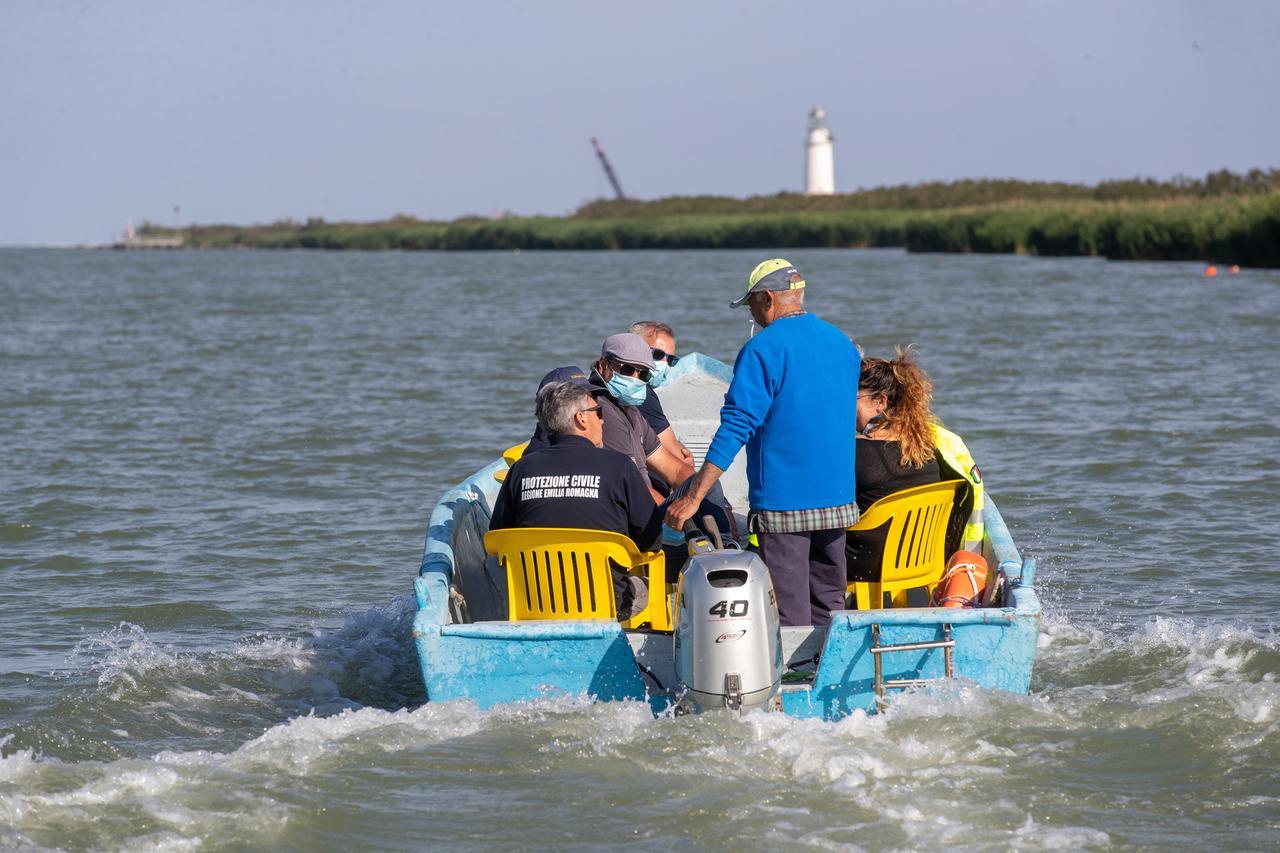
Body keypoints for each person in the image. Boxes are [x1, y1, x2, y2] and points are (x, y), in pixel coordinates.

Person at [666, 259, 861, 627]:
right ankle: (826, 677)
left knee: (788, 612)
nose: (752, 315)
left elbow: (736, 426)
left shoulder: (761, 350)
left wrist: (693, 497)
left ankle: (794, 678)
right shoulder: (843, 343)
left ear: (768, 299)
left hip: (785, 504)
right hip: (838, 499)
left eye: (752, 305)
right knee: (830, 603)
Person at [490, 379, 662, 618]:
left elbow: (498, 539)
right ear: (581, 418)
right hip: (607, 604)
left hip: (533, 601)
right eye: (598, 412)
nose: (602, 420)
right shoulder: (619, 466)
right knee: (652, 588)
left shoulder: (521, 470)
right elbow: (651, 539)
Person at [849, 347, 985, 587]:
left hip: (867, 568)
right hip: (924, 565)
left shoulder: (853, 452)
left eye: (850, 398)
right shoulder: (931, 448)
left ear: (880, 402)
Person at [589, 333, 693, 503]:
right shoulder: (603, 411)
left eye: (643, 374)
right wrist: (673, 522)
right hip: (630, 511)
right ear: (603, 365)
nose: (635, 379)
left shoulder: (632, 411)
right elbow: (634, 489)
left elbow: (673, 469)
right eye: (627, 370)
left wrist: (702, 489)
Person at [628, 321, 694, 468]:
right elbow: (680, 458)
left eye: (671, 359)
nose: (665, 363)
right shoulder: (641, 392)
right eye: (658, 355)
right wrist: (689, 461)